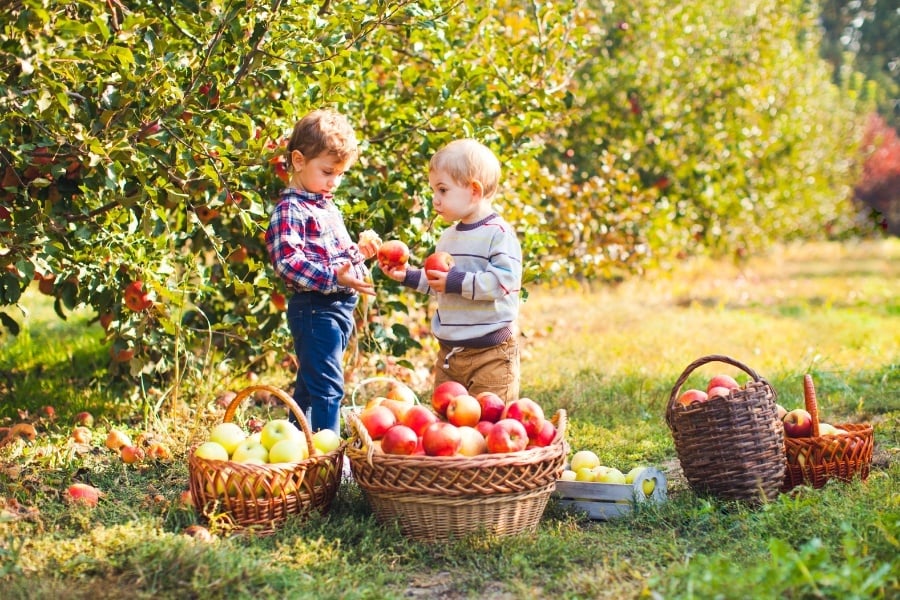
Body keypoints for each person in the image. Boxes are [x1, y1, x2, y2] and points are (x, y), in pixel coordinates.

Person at [379, 138, 523, 401]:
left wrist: (455, 281)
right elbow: (441, 283)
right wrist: (409, 275)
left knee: (490, 424)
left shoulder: (498, 234)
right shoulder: (448, 237)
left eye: (443, 190)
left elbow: (505, 282)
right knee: (447, 428)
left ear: (474, 191)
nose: (435, 200)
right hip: (449, 354)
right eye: (434, 190)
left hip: (491, 353)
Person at [265, 109, 380, 434]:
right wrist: (334, 278)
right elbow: (288, 262)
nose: (335, 181)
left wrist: (361, 254)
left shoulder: (324, 203)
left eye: (341, 174)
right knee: (329, 386)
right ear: (299, 160)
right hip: (316, 311)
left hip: (338, 310)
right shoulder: (291, 209)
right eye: (328, 171)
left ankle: (297, 444)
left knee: (310, 382)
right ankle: (329, 458)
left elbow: (337, 260)